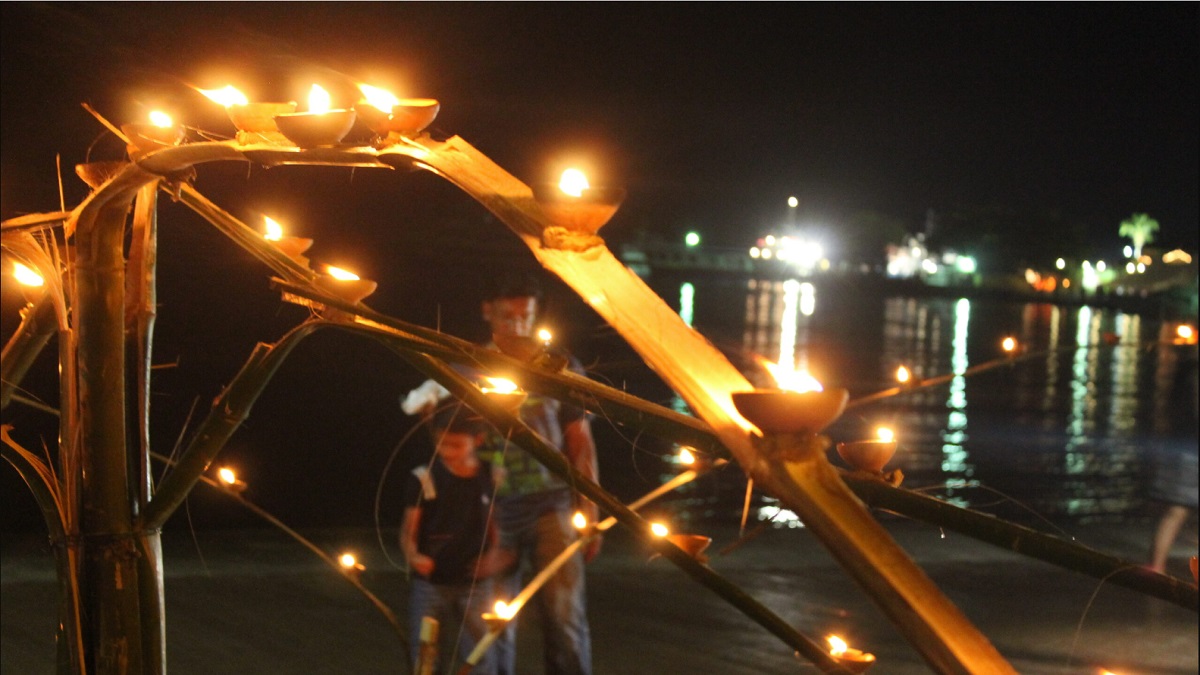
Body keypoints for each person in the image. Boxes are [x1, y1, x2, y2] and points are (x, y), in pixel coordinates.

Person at [402, 272, 599, 675]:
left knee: (564, 618)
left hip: (552, 506)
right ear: (487, 312)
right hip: (494, 511)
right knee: (493, 620)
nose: (516, 326)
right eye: (507, 316)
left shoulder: (558, 367)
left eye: (525, 317)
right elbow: (445, 435)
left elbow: (580, 441)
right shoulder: (467, 366)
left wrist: (590, 508)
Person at [401, 406, 500, 675]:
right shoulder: (424, 477)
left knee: (480, 653)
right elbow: (409, 530)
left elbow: (495, 523)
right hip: (431, 584)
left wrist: (493, 556)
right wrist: (413, 555)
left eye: (456, 445)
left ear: (477, 440)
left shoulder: (488, 475)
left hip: (475, 584)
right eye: (441, 443)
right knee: (425, 654)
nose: (446, 451)